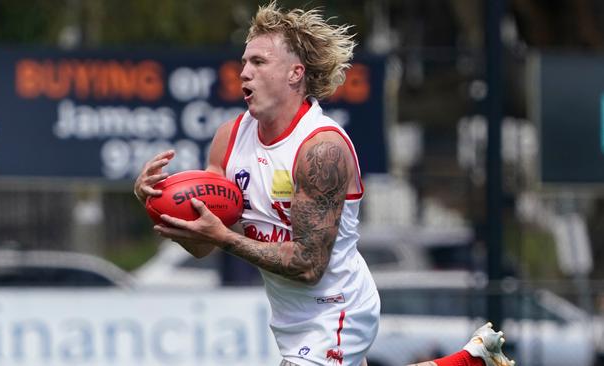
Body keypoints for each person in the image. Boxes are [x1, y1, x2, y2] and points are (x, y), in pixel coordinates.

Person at [134, 2, 514, 366]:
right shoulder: (229, 139)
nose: (244, 72)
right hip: (289, 315)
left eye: (259, 62)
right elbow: (203, 245)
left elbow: (308, 264)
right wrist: (158, 203)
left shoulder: (321, 149)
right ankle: (469, 361)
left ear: (295, 73)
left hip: (337, 307)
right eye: (244, 62)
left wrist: (225, 238)